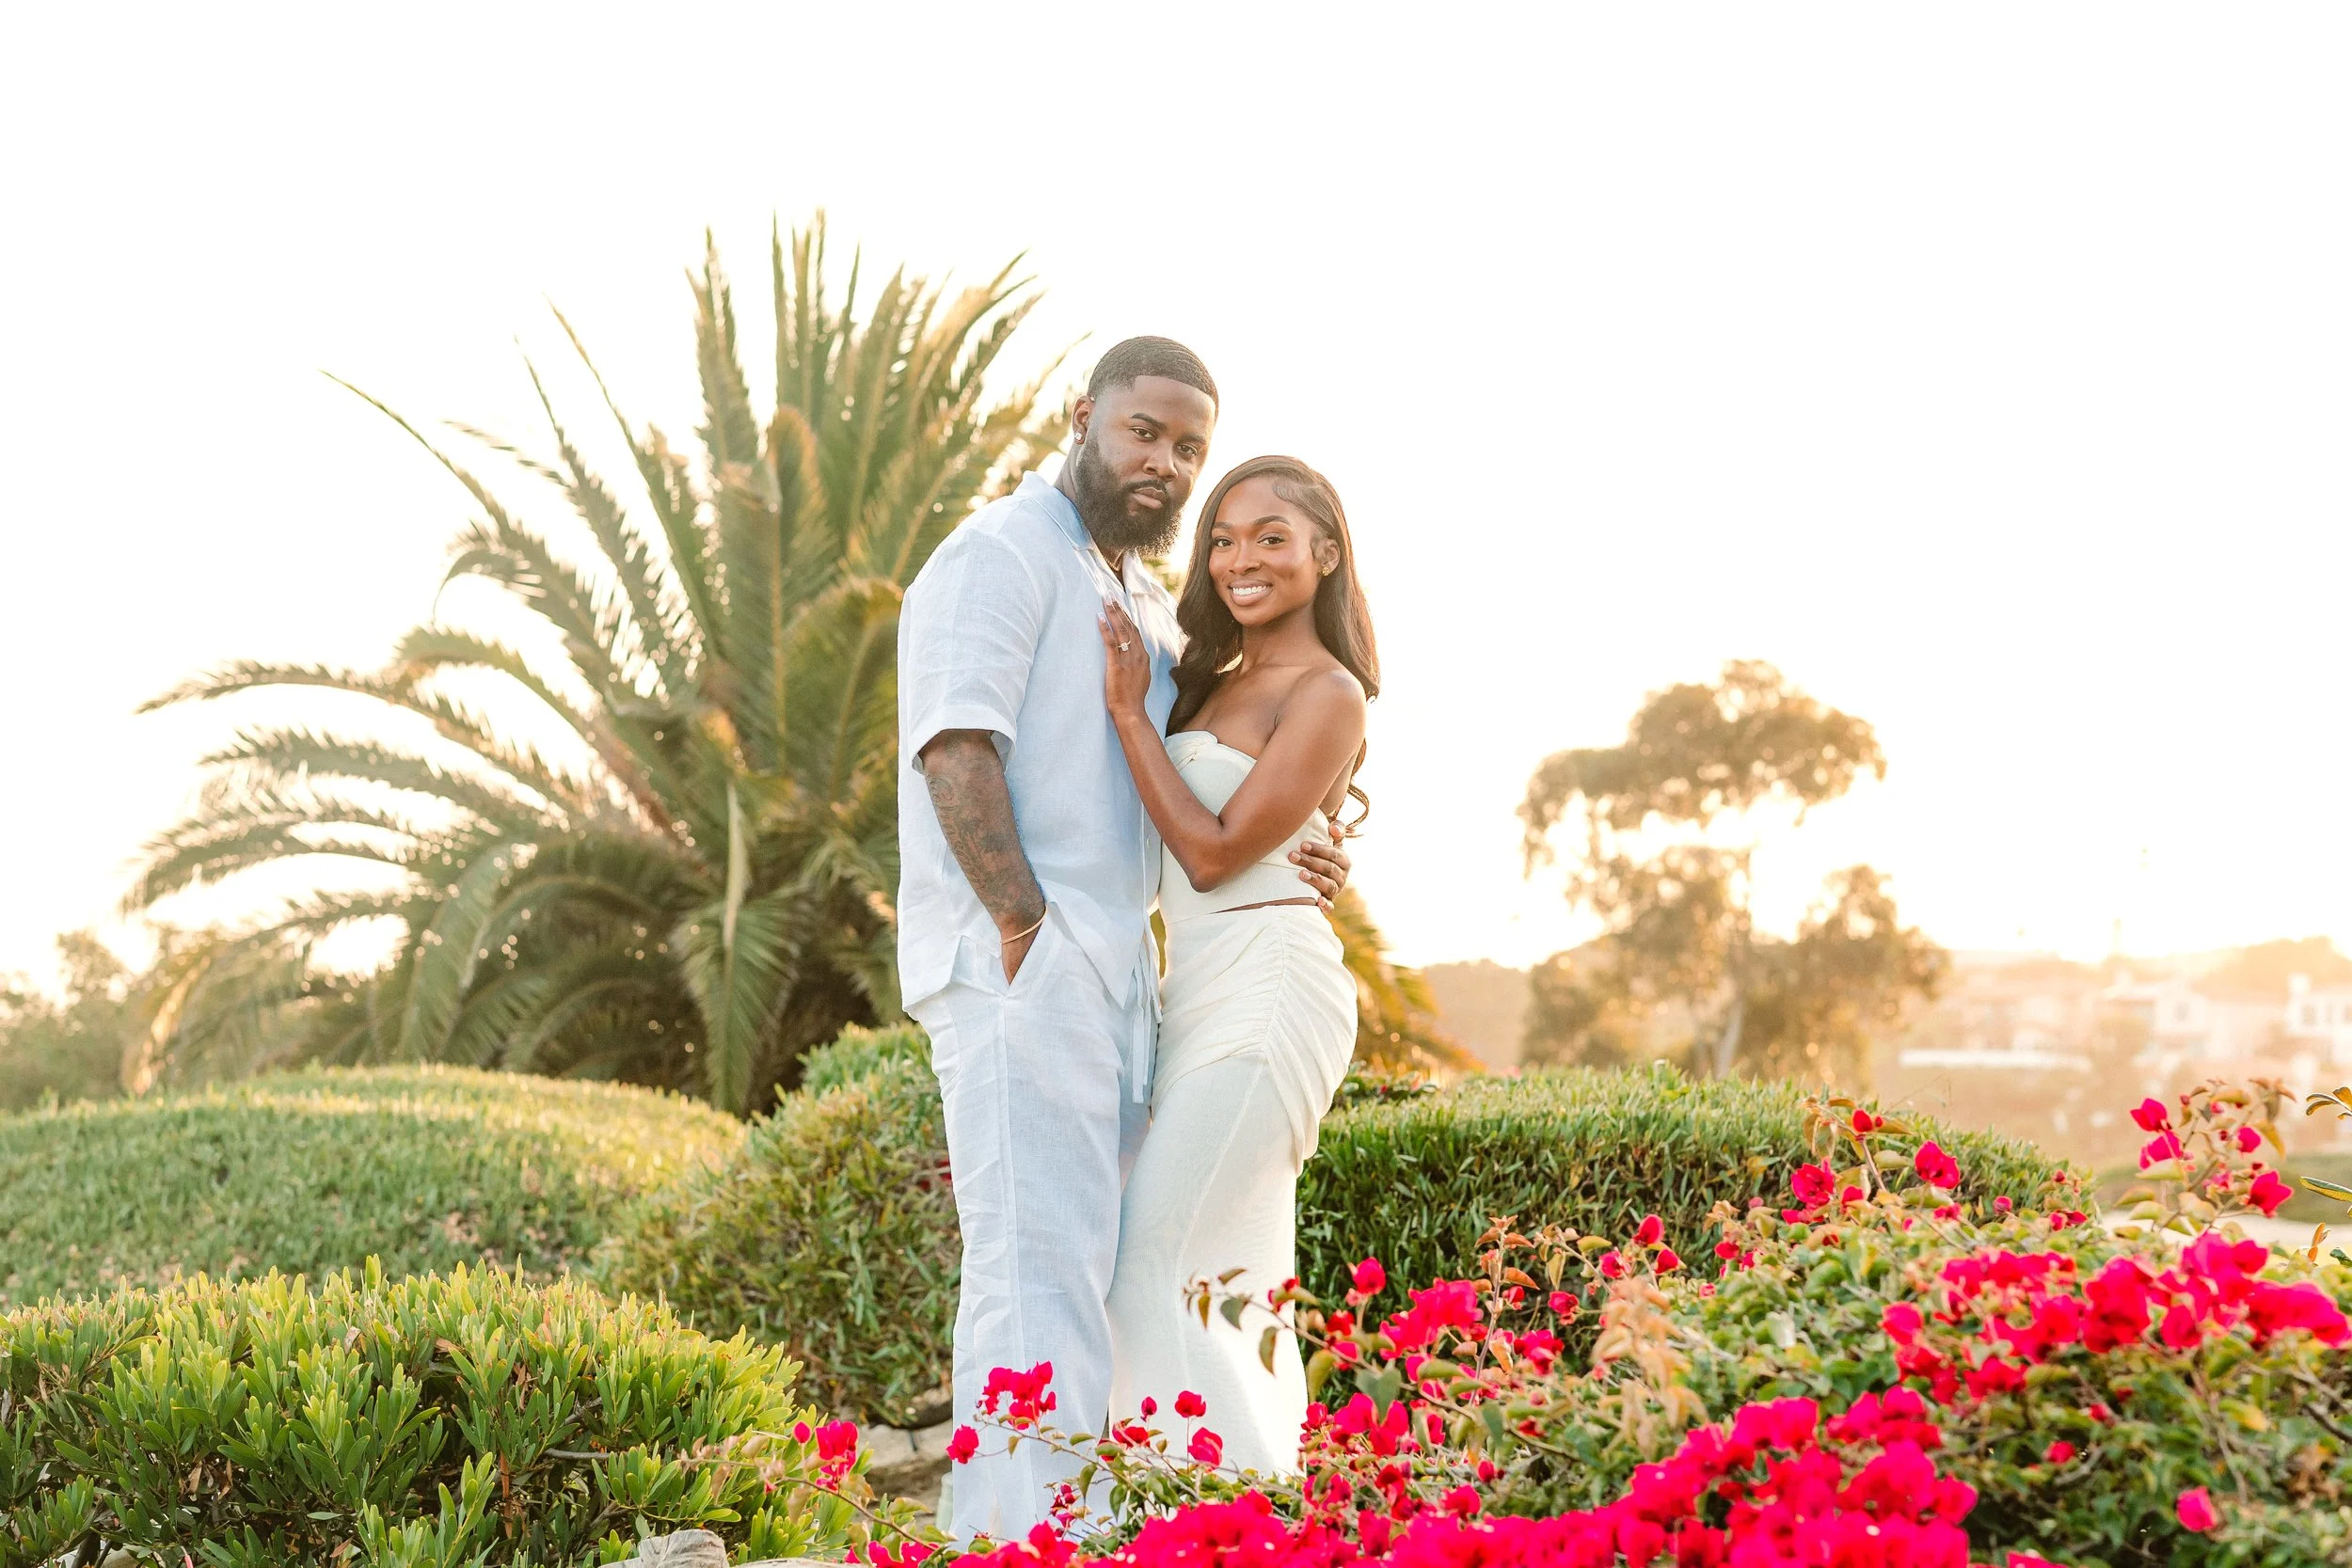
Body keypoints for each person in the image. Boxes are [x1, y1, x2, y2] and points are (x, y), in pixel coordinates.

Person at [897, 341, 1353, 1541]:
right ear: (1085, 415)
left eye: (1187, 449)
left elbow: (1203, 787)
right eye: (1144, 431)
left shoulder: (1138, 598)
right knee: (1030, 1274)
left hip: (1131, 987)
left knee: (1109, 1280)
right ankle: (1009, 1536)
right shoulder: (1000, 552)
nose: (1163, 462)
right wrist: (1020, 925)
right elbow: (956, 744)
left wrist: (1292, 845)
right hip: (1027, 969)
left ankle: (1109, 1526)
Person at [1098, 454, 1375, 1475]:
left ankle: (1220, 1529)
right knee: (1228, 1281)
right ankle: (1256, 1511)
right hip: (1195, 994)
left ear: (1324, 554)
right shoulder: (1204, 677)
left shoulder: (1328, 690)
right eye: (1221, 537)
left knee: (1149, 1268)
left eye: (1270, 537)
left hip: (1271, 989)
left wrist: (1130, 714)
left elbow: (1212, 856)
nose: (1239, 558)